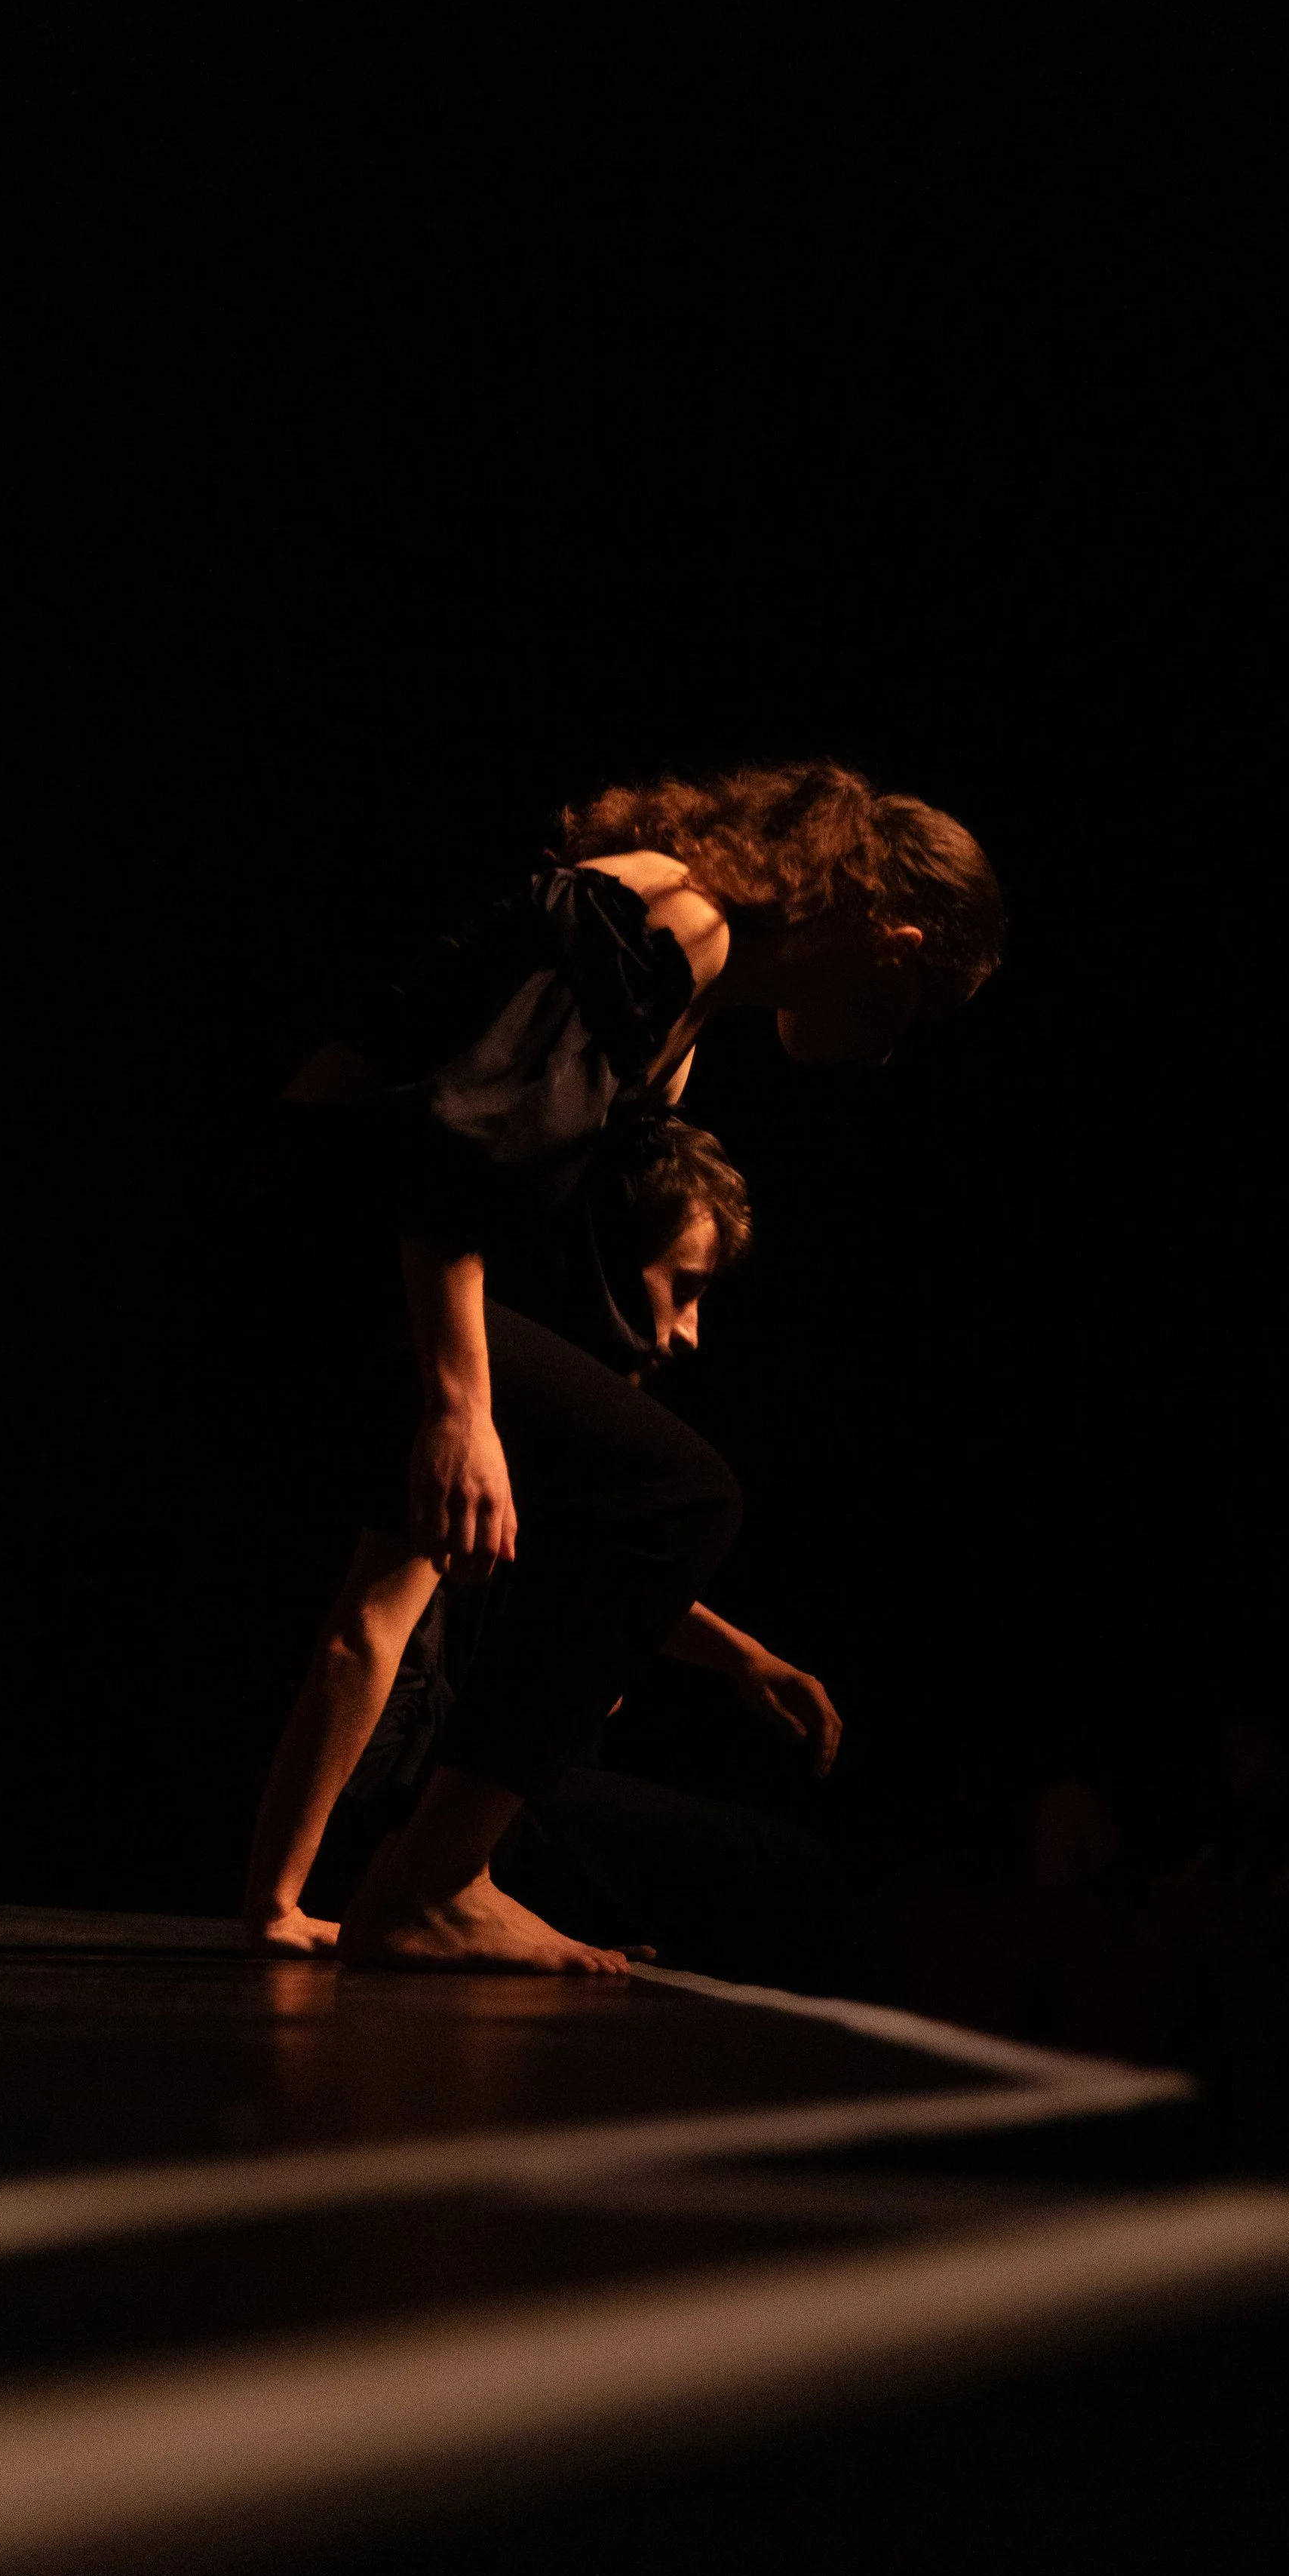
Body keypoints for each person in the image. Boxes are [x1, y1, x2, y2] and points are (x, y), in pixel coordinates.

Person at [272, 760, 1002, 1974]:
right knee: (682, 1494)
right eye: (913, 1012)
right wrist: (461, 1406)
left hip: (376, 1262)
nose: (887, 1054)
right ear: (894, 942)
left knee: (618, 1491)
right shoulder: (668, 917)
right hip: (325, 1247)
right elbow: (449, 1149)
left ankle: (377, 1883)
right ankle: (434, 1884)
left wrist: (632, 1624)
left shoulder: (690, 999)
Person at [244, 1110, 844, 1960]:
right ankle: (433, 1891)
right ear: (602, 1264)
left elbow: (604, 1573)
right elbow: (364, 1634)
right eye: (683, 1286)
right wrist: (276, 1902)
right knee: (783, 1875)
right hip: (385, 1792)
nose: (688, 1332)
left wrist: (741, 1656)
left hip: (415, 1782)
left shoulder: (538, 1420)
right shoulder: (474, 1403)